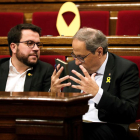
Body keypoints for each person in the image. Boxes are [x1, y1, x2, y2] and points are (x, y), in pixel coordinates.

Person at [51, 27, 140, 140]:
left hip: (107, 125)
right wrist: (54, 93)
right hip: (75, 123)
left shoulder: (125, 69)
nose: (77, 62)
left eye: (81, 57)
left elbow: (130, 112)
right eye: (74, 55)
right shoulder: (73, 67)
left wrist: (98, 94)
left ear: (99, 52)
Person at [0, 23, 54, 92]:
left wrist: (54, 91)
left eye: (38, 44)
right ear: (13, 47)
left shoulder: (45, 70)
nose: (36, 48)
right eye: (29, 43)